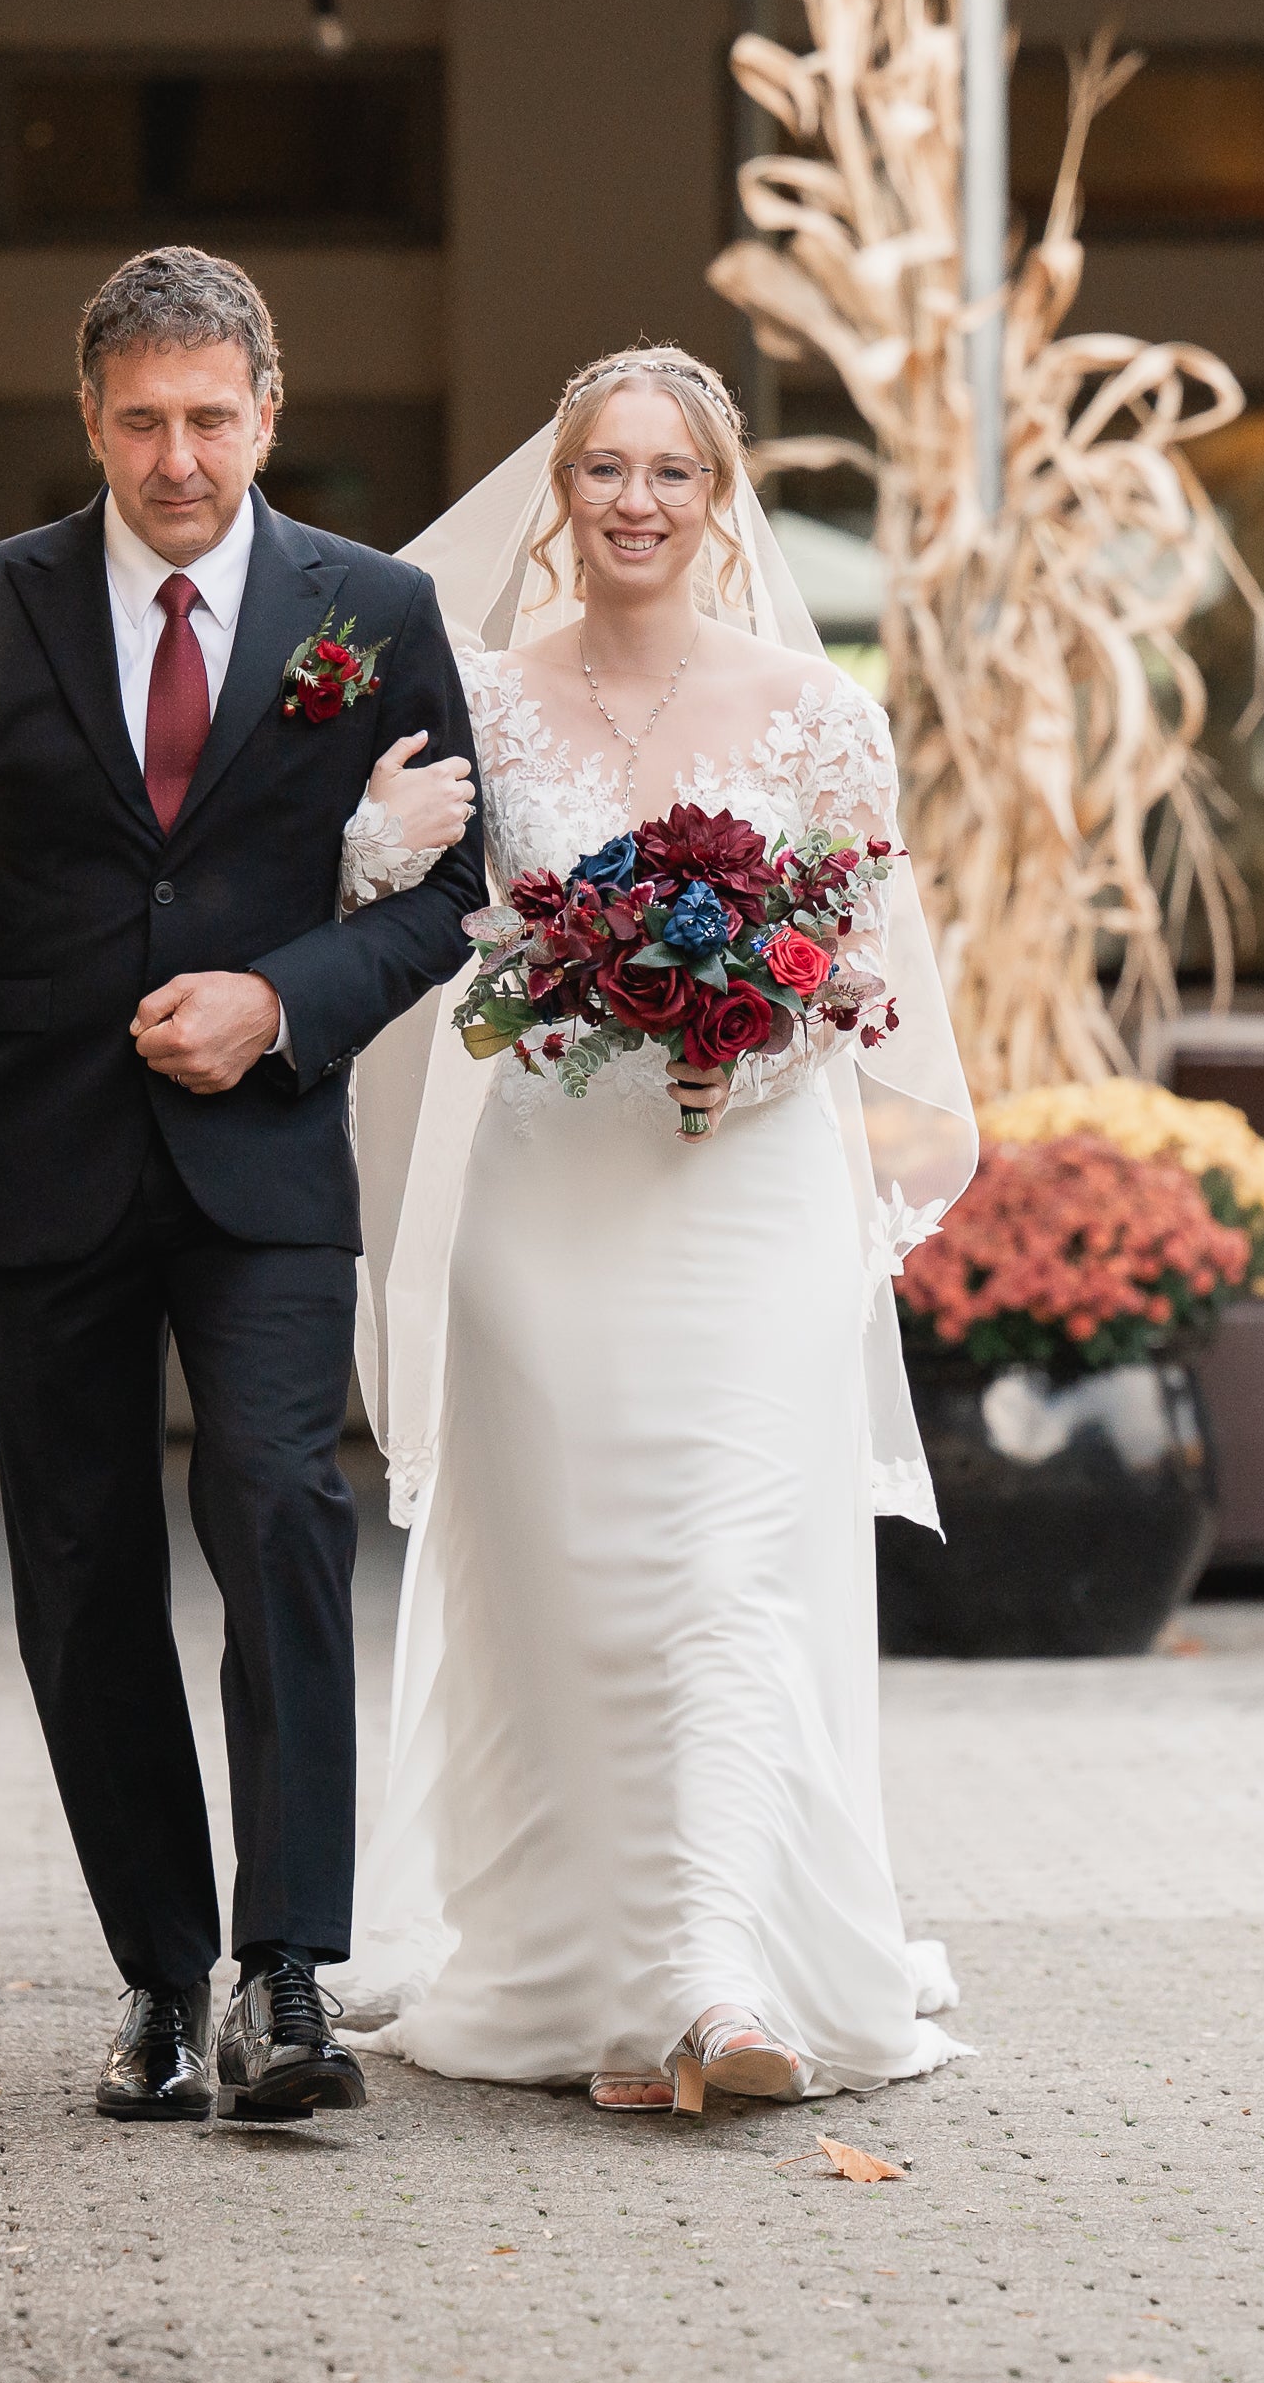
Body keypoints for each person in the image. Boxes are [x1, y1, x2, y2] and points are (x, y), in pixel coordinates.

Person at [0, 247, 486, 2124]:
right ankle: (161, 1984)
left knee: (278, 1510)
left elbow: (451, 890)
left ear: (269, 413)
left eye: (210, 418)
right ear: (88, 422)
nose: (177, 456)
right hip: (44, 1162)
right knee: (85, 1568)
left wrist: (282, 997)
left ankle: (288, 1976)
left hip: (267, 1158)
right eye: (141, 422)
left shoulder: (376, 609)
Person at [322, 345, 980, 2113]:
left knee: (729, 1573)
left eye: (670, 472)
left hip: (748, 1199)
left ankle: (718, 1974)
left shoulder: (817, 711)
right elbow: (414, 928)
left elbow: (863, 972)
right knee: (578, 1583)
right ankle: (608, 1973)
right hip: (543, 1212)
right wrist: (374, 852)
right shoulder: (479, 697)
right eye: (602, 468)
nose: (634, 500)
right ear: (560, 491)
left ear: (719, 494)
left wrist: (747, 1045)